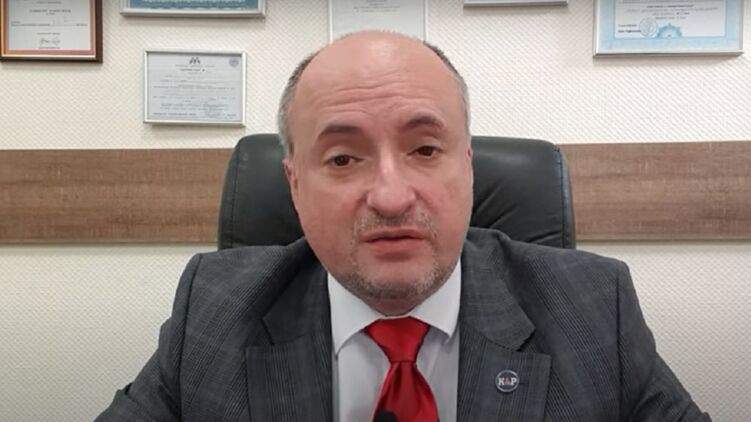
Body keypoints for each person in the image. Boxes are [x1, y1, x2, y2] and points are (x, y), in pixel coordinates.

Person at [97, 31, 709, 421]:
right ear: (294, 184)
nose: (391, 197)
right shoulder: (214, 308)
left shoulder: (593, 308)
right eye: (343, 159)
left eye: (425, 150)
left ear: (468, 166)